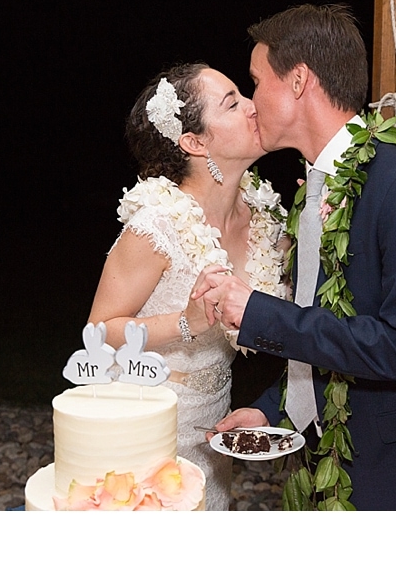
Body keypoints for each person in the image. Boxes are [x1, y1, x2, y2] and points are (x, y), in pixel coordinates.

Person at [193, 4, 396, 510]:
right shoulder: (313, 190)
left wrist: (258, 311)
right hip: (335, 473)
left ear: (298, 81)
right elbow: (334, 330)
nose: (252, 103)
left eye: (256, 82)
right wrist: (274, 410)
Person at [88, 63, 291, 511]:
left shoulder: (268, 222)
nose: (253, 107)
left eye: (243, 94)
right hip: (146, 417)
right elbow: (100, 330)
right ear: (194, 143)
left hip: (213, 419)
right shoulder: (156, 226)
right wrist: (186, 322)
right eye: (232, 102)